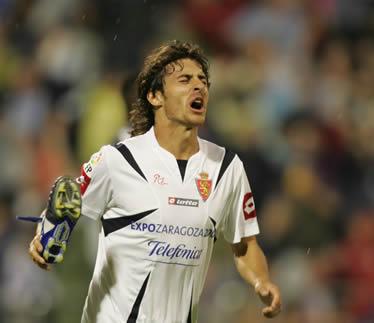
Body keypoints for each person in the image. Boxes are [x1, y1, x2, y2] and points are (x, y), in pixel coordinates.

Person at [27, 40, 282, 323]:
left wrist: (261, 281)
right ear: (155, 96)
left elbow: (245, 244)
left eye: (202, 80)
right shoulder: (116, 159)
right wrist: (44, 235)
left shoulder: (226, 168)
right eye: (185, 80)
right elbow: (67, 204)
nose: (198, 86)